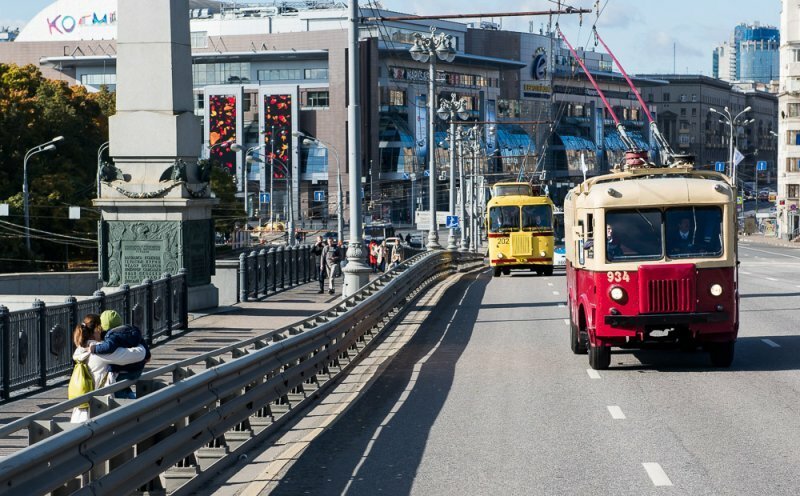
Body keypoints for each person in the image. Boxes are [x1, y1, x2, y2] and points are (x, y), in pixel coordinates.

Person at [71, 313, 147, 423]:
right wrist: (139, 341)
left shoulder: (80, 349)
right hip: (99, 410)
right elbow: (140, 354)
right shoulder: (101, 352)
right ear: (98, 329)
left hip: (81, 410)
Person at [89, 310, 150, 399]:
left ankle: (129, 402)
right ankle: (131, 396)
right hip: (138, 369)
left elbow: (108, 347)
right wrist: (147, 355)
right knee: (124, 387)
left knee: (117, 388)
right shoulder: (131, 330)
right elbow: (142, 342)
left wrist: (94, 348)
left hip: (125, 371)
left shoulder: (112, 335)